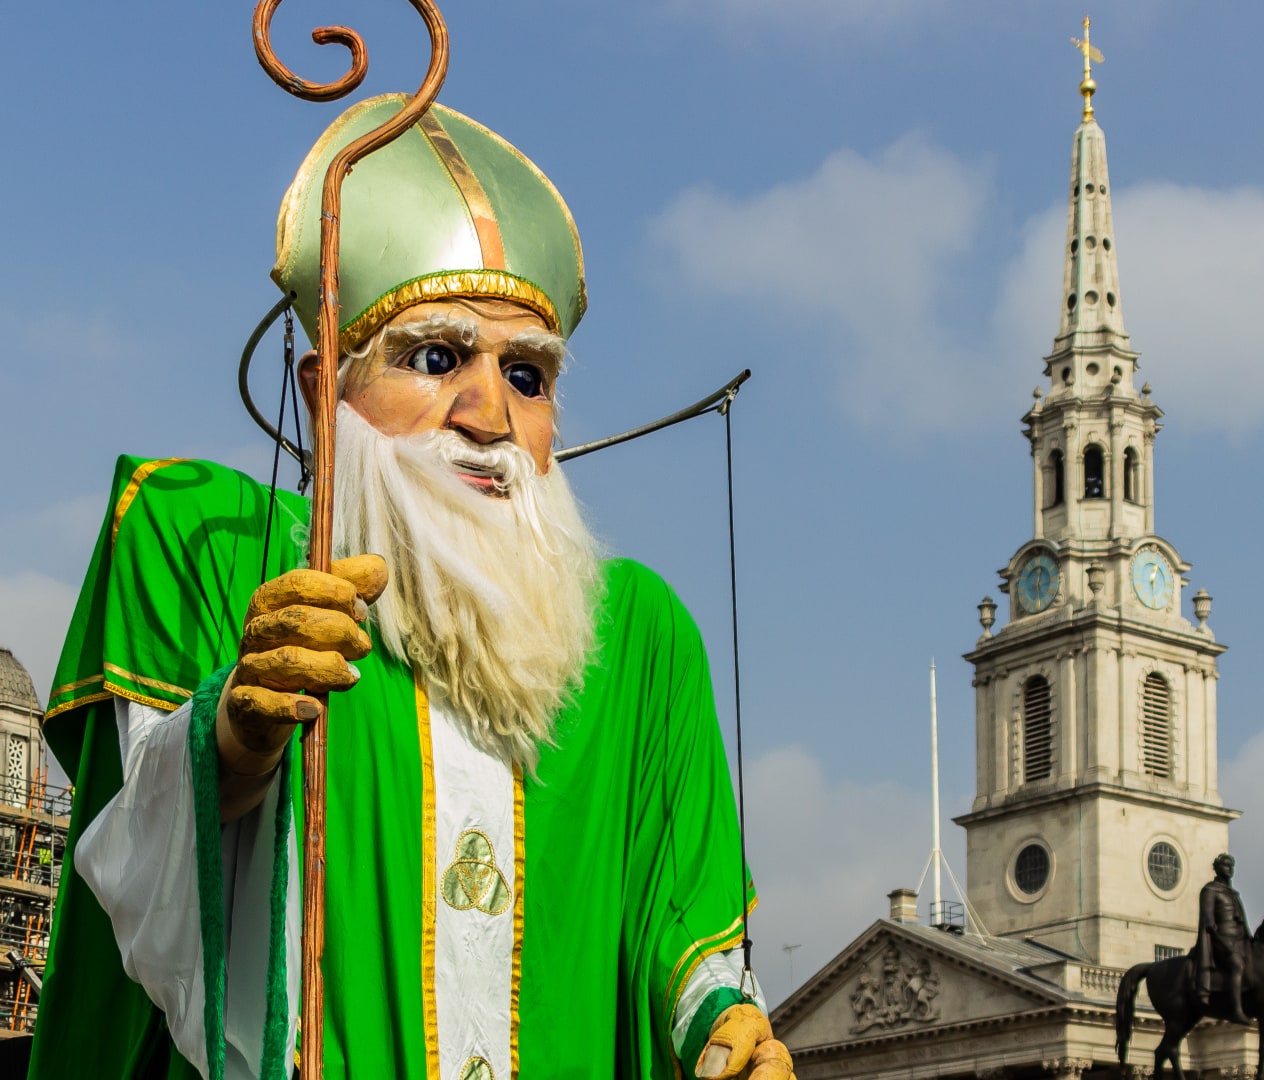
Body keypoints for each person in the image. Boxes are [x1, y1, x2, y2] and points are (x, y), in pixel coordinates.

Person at [30, 96, 792, 1080]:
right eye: (435, 358)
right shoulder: (201, 536)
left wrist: (724, 1023)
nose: (486, 415)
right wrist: (235, 736)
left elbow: (686, 936)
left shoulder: (639, 634)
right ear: (321, 397)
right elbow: (129, 872)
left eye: (527, 375)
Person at [1195, 853, 1253, 1025]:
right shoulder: (1210, 890)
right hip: (1220, 941)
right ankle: (1235, 1010)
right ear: (1217, 868)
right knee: (1237, 965)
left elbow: (1242, 921)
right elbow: (1209, 923)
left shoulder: (1232, 893)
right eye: (1226, 866)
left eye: (1231, 866)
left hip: (1239, 940)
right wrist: (1224, 944)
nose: (1229, 869)